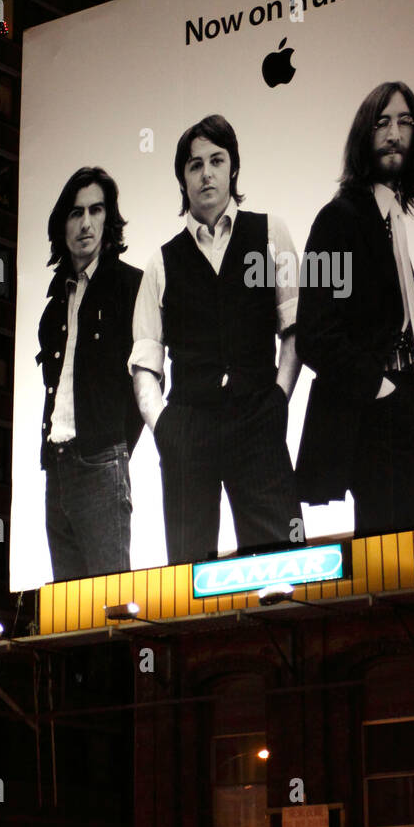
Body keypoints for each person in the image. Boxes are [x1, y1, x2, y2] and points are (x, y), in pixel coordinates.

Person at [130, 114, 303, 564]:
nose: (206, 173)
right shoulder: (160, 263)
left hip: (258, 417)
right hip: (189, 428)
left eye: (216, 160)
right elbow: (146, 362)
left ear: (233, 168)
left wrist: (278, 400)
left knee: (282, 564)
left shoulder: (270, 233)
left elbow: (294, 330)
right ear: (182, 180)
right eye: (194, 165)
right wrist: (164, 427)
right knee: (187, 579)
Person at [295, 82, 414, 537]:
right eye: (382, 122)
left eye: (404, 122)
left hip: (405, 407)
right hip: (369, 414)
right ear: (364, 135)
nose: (394, 133)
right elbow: (315, 334)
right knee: (411, 551)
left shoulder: (393, 224)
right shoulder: (336, 219)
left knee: (399, 554)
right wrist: (381, 390)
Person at [37, 166, 143, 581]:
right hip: (56, 466)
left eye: (95, 210)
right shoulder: (53, 305)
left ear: (108, 219)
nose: (85, 223)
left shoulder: (130, 286)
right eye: (75, 212)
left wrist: (114, 448)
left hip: (101, 463)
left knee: (111, 605)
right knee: (70, 611)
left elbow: (149, 378)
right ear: (62, 224)